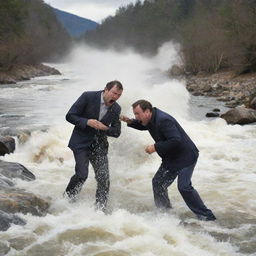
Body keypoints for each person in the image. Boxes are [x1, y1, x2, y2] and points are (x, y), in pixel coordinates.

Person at [120, 99, 216, 221]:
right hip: (171, 158)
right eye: (135, 114)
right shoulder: (149, 119)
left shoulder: (163, 120)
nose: (136, 116)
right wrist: (128, 121)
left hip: (186, 156)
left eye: (137, 114)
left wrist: (155, 147)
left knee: (184, 187)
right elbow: (143, 125)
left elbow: (175, 140)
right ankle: (164, 213)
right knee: (158, 183)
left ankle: (207, 217)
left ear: (147, 111)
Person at [64, 80, 123, 211]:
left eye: (119, 95)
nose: (115, 97)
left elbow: (117, 132)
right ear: (106, 90)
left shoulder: (116, 108)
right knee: (82, 175)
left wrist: (105, 128)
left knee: (104, 180)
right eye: (114, 93)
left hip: (99, 146)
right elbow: (70, 116)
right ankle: (67, 199)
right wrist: (86, 122)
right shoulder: (87, 96)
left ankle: (100, 210)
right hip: (81, 143)